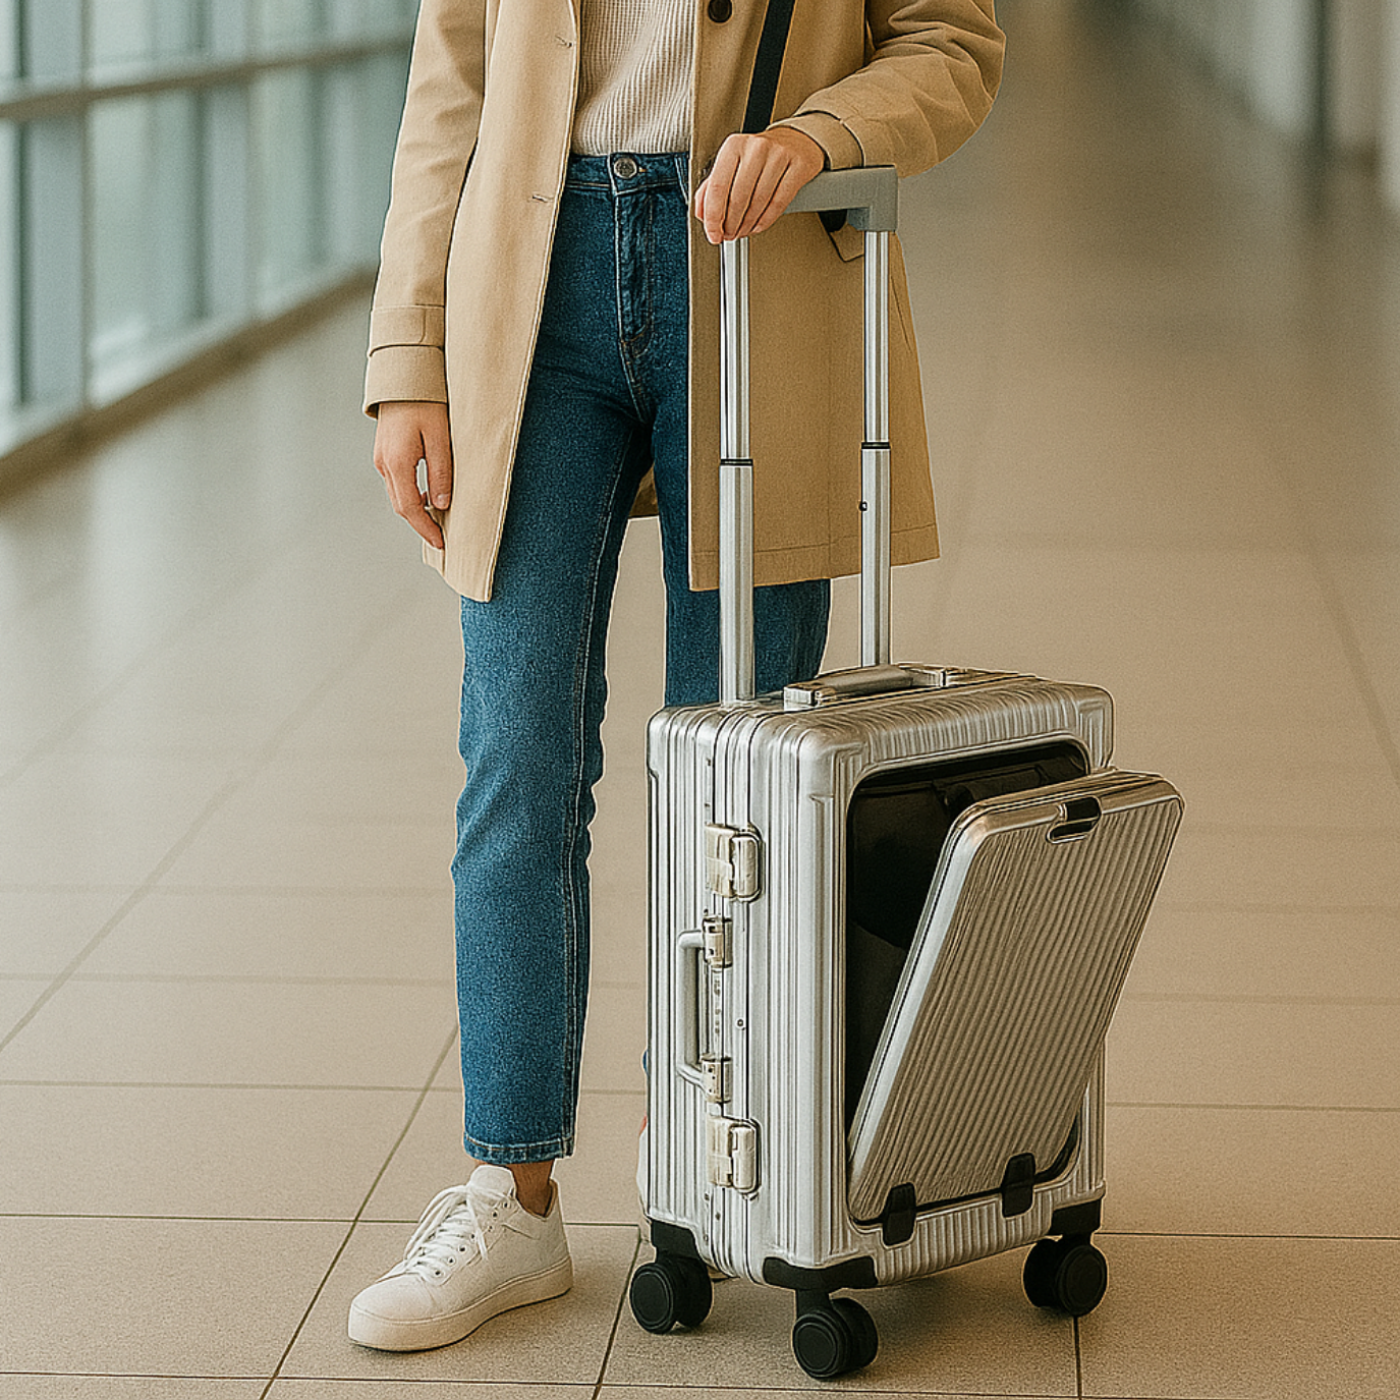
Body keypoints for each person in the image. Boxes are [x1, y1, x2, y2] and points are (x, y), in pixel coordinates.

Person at [348, 0, 1004, 1353]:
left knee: (738, 780)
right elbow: (450, 77)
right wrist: (408, 354)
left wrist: (822, 134)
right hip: (532, 279)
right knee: (517, 758)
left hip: (763, 262)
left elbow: (951, 42)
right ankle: (512, 1192)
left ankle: (708, 1154)